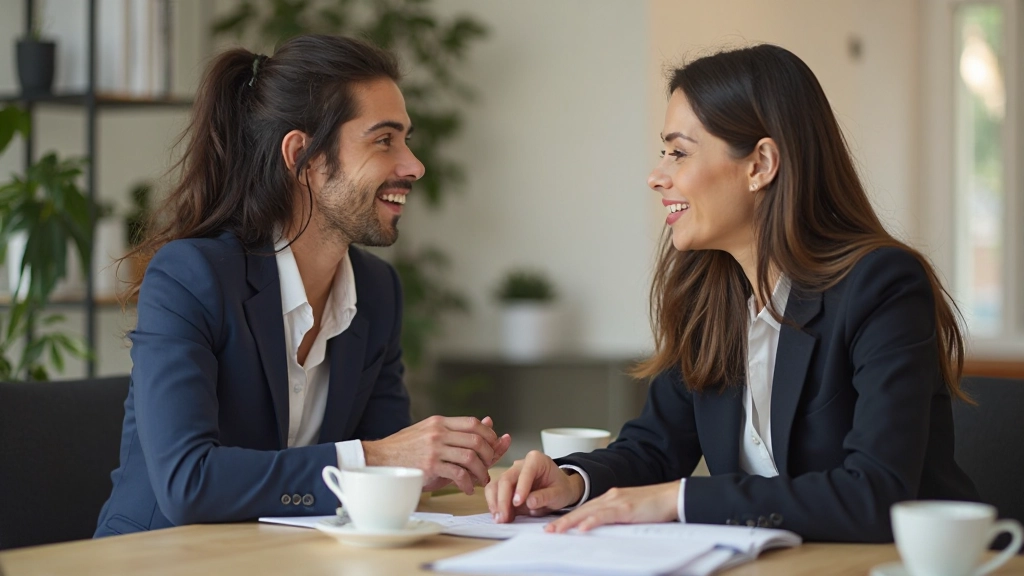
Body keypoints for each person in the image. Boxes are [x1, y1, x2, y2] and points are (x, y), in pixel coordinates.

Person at [485, 44, 978, 543]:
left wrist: (675, 499)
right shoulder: (713, 296)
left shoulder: (882, 286)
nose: (657, 176)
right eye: (663, 153)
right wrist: (572, 482)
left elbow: (874, 494)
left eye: (678, 152)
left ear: (761, 164)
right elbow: (655, 447)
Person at [95, 35, 510, 537]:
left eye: (406, 138)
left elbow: (387, 474)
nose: (414, 165)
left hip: (290, 556)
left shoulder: (378, 291)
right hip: (159, 558)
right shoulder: (190, 277)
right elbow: (189, 483)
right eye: (384, 139)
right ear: (303, 158)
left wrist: (445, 458)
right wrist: (375, 457)